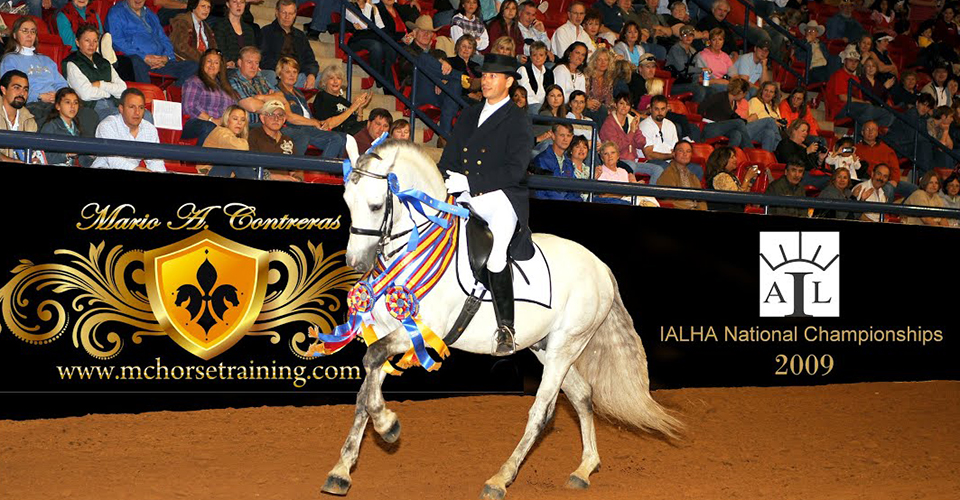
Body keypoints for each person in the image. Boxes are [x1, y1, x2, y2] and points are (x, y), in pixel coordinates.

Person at [440, 53, 534, 356]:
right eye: (484, 76)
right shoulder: (469, 114)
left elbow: (515, 170)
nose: (486, 81)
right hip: (465, 194)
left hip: (501, 198)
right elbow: (450, 157)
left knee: (495, 257)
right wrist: (444, 181)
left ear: (508, 82)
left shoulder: (518, 119)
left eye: (493, 76)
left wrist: (471, 182)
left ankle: (506, 329)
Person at [107, 0, 198, 85]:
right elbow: (117, 41)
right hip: (139, 61)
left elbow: (163, 38)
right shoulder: (116, 13)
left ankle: (172, 92)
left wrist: (167, 57)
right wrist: (144, 57)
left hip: (160, 61)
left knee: (194, 66)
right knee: (136, 61)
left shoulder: (150, 14)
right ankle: (146, 95)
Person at [275, 57, 350, 158]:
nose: (292, 75)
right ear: (280, 74)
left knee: (344, 138)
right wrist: (313, 122)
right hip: (295, 128)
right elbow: (290, 117)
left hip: (309, 127)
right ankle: (321, 167)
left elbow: (307, 115)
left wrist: (320, 123)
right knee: (335, 139)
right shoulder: (278, 92)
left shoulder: (298, 92)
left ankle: (336, 168)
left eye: (295, 72)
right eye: (288, 72)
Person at [63, 25, 128, 121]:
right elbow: (86, 94)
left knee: (145, 114)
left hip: (115, 103)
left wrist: (101, 84)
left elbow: (123, 89)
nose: (92, 45)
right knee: (120, 120)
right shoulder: (72, 63)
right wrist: (110, 92)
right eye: (87, 41)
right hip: (94, 107)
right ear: (77, 42)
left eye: (95, 41)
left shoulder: (103, 62)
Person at [91, 88, 165, 172]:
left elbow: (156, 162)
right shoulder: (107, 125)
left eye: (141, 108)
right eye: (132, 107)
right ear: (121, 109)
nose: (137, 112)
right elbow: (114, 160)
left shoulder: (150, 129)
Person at [182, 48, 238, 147]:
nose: (212, 65)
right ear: (203, 63)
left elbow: (234, 108)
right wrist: (211, 120)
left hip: (222, 126)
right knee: (210, 127)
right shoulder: (194, 82)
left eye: (216, 63)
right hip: (198, 123)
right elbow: (189, 108)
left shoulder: (225, 86)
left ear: (220, 67)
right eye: (209, 61)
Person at [828, 45, 894, 128]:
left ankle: (870, 130)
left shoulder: (856, 78)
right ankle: (863, 131)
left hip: (856, 107)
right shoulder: (839, 75)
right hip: (840, 109)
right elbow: (843, 97)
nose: (853, 64)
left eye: (856, 61)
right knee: (868, 108)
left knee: (889, 115)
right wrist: (864, 102)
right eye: (851, 60)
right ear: (844, 61)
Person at [258, 0, 319, 88]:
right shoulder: (266, 32)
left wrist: (311, 75)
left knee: (321, 77)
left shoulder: (300, 36)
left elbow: (310, 60)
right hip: (276, 74)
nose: (287, 17)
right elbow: (262, 58)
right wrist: (284, 70)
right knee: (270, 76)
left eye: (290, 13)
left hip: (296, 75)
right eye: (284, 13)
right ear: (277, 13)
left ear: (295, 15)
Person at [856, 120, 913, 200]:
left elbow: (895, 168)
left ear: (877, 133)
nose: (870, 132)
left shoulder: (886, 149)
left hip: (886, 180)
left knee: (915, 190)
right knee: (888, 188)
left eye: (873, 130)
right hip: (868, 179)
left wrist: (894, 180)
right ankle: (886, 208)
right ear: (862, 132)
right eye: (867, 129)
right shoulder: (856, 149)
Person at [228, 46, 286, 125]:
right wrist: (272, 99)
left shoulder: (259, 77)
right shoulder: (233, 81)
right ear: (240, 63)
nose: (253, 67)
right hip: (250, 126)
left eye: (256, 63)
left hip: (270, 123)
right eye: (249, 62)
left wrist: (261, 97)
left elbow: (282, 98)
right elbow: (252, 107)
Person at [312, 64, 372, 136]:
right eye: (331, 78)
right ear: (325, 81)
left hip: (351, 134)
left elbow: (356, 123)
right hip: (335, 135)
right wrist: (353, 108)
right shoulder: (322, 96)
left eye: (338, 78)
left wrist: (360, 109)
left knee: (373, 122)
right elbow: (327, 124)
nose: (335, 81)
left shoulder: (345, 102)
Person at [344, 0, 394, 82]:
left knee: (390, 49)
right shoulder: (349, 7)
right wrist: (368, 4)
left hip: (371, 37)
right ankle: (378, 78)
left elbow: (381, 28)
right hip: (356, 40)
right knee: (376, 46)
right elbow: (365, 24)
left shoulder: (373, 8)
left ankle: (387, 80)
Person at [40, 88, 92, 167]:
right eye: (68, 102)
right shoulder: (51, 126)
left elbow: (82, 160)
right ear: (58, 106)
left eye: (75, 103)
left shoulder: (77, 128)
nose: (72, 106)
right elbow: (45, 157)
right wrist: (66, 155)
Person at [531, 122, 581, 201]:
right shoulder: (542, 160)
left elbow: (573, 191)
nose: (565, 139)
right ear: (553, 136)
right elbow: (541, 193)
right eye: (562, 135)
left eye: (568, 135)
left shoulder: (568, 163)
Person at [201, 104, 253, 178]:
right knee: (234, 157)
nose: (239, 123)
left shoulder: (234, 136)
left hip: (224, 172)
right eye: (235, 119)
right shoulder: (221, 132)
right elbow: (241, 147)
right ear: (227, 120)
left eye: (243, 120)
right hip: (207, 172)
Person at [698, 78, 752, 148]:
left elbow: (733, 116)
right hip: (710, 128)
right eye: (745, 94)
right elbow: (701, 107)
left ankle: (728, 153)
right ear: (741, 92)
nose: (745, 96)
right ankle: (750, 149)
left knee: (736, 134)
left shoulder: (734, 103)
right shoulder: (720, 96)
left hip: (721, 129)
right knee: (739, 122)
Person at [703, 145, 758, 212]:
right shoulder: (721, 177)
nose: (735, 159)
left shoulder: (731, 176)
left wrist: (750, 182)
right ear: (723, 160)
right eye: (732, 157)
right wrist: (747, 178)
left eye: (735, 156)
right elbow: (737, 198)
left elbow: (744, 197)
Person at [637, 96, 679, 182]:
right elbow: (649, 155)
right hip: (648, 162)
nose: (660, 112)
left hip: (669, 161)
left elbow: (675, 149)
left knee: (695, 169)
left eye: (663, 109)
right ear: (650, 109)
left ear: (667, 109)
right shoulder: (645, 126)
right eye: (656, 109)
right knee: (668, 168)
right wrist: (671, 156)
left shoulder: (670, 125)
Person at [0, 70, 38, 163]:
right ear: (4, 90)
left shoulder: (29, 120)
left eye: (25, 89)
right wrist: (9, 160)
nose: (22, 93)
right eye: (17, 88)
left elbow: (32, 153)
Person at [656, 140, 705, 210]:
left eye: (688, 151)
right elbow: (668, 200)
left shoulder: (693, 177)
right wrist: (690, 206)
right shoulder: (667, 174)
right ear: (674, 153)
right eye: (681, 151)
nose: (685, 154)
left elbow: (701, 200)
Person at [600, 92, 645, 166]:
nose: (624, 107)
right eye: (621, 103)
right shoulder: (609, 124)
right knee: (631, 166)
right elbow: (616, 147)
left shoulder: (631, 120)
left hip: (633, 160)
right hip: (616, 161)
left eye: (627, 104)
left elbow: (641, 144)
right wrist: (632, 132)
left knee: (657, 169)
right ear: (615, 105)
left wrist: (637, 130)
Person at [666, 24, 707, 103]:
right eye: (685, 35)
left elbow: (694, 71)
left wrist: (698, 79)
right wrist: (701, 69)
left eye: (691, 35)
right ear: (680, 37)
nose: (688, 37)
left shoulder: (693, 51)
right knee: (699, 90)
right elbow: (682, 69)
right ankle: (692, 109)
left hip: (687, 82)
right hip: (673, 84)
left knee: (710, 90)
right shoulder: (675, 49)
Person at [212, 0, 256, 68]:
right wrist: (235, 63)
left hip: (247, 67)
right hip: (229, 67)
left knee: (269, 73)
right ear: (228, 4)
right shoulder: (220, 26)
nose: (239, 5)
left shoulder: (248, 29)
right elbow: (220, 51)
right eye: (235, 2)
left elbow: (252, 52)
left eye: (242, 2)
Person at [517, 41, 551, 113]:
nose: (538, 58)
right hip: (528, 106)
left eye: (541, 55)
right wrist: (541, 109)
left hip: (544, 107)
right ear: (530, 57)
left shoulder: (549, 73)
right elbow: (528, 95)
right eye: (535, 55)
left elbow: (551, 92)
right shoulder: (523, 70)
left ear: (545, 57)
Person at [584, 47, 615, 124]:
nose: (603, 63)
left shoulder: (608, 79)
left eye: (606, 60)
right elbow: (583, 96)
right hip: (587, 109)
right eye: (599, 60)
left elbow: (609, 101)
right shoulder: (587, 76)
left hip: (601, 111)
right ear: (594, 62)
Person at [450, 35, 483, 104]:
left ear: (473, 50)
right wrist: (468, 94)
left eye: (469, 47)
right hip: (460, 97)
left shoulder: (476, 66)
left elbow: (482, 83)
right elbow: (452, 83)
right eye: (463, 46)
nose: (466, 50)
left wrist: (480, 93)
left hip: (479, 98)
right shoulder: (450, 62)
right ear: (458, 47)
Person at [800, 20, 835, 84]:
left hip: (825, 67)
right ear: (805, 33)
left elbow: (827, 56)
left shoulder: (821, 44)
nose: (811, 33)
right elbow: (800, 56)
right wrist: (807, 43)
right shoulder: (801, 44)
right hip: (813, 69)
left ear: (816, 33)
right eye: (809, 31)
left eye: (813, 31)